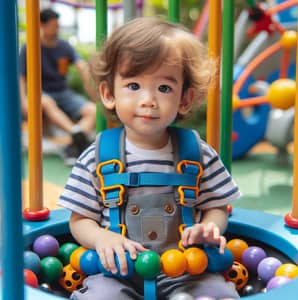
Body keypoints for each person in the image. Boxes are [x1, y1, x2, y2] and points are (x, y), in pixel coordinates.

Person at [58, 17, 241, 299]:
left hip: (185, 273)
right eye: (133, 85)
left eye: (164, 88)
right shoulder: (96, 157)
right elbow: (80, 219)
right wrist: (102, 237)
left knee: (219, 294)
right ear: (109, 94)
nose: (148, 100)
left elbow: (217, 206)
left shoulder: (197, 153)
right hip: (116, 272)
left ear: (184, 99)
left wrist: (209, 228)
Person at [19, 8, 96, 166]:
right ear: (42, 25)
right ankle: (77, 135)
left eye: (58, 26)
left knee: (92, 110)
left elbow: (81, 66)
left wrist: (90, 86)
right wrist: (23, 100)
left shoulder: (64, 46)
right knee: (46, 101)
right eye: (53, 26)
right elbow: (21, 77)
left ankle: (71, 145)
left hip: (63, 92)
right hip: (42, 92)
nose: (56, 29)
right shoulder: (30, 47)